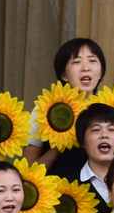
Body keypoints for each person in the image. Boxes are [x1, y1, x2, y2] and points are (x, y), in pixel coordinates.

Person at [31, 37, 107, 168]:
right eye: (77, 62)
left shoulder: (110, 109)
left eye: (92, 61)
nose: (86, 68)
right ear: (64, 75)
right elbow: (29, 169)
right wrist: (60, 143)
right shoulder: (46, 109)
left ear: (101, 73)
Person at [50, 102, 114, 203]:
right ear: (82, 141)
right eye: (96, 130)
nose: (104, 135)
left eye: (112, 129)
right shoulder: (64, 186)